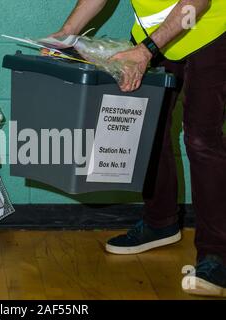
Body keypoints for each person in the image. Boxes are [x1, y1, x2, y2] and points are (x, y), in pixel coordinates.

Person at [46, 0, 226, 297]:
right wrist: (66, 34)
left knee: (202, 140)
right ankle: (161, 223)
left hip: (210, 31)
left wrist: (146, 52)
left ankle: (216, 254)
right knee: (147, 127)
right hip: (156, 33)